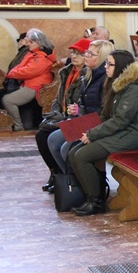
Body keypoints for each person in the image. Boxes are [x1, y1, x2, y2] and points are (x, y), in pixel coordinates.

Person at [68, 50, 138, 216]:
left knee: (82, 156)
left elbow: (120, 120)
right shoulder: (116, 84)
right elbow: (106, 115)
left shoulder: (133, 89)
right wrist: (87, 129)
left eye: (110, 64)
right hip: (120, 131)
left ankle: (96, 202)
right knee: (73, 152)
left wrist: (93, 134)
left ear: (121, 67)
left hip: (132, 134)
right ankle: (91, 195)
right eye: (106, 63)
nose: (106, 67)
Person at [47, 39, 115, 178]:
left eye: (90, 54)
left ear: (102, 57)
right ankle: (71, 180)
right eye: (87, 52)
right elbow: (83, 102)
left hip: (97, 124)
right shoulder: (88, 74)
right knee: (52, 139)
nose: (86, 56)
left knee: (66, 148)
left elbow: (104, 111)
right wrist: (77, 109)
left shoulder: (106, 79)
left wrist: (80, 111)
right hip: (85, 120)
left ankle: (84, 183)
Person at [36, 38, 90, 192]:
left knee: (49, 136)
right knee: (41, 135)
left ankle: (64, 176)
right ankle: (55, 173)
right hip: (63, 115)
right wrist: (56, 114)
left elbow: (84, 103)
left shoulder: (87, 75)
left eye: (79, 54)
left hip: (77, 118)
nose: (74, 56)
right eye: (73, 53)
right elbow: (58, 98)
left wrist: (68, 115)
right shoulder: (66, 72)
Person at [2, 29, 56, 131]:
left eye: (31, 42)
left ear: (39, 43)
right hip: (28, 83)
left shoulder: (41, 57)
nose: (28, 44)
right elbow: (20, 67)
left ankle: (18, 126)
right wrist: (13, 72)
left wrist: (11, 73)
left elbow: (27, 72)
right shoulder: (33, 53)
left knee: (7, 100)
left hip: (36, 86)